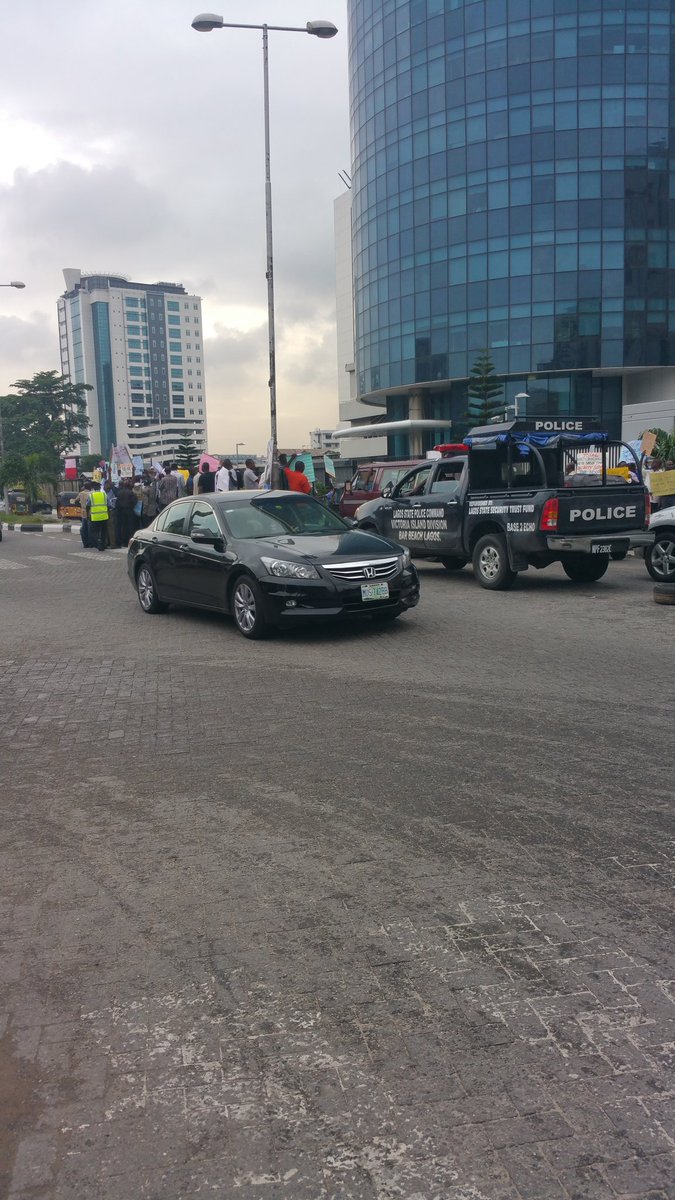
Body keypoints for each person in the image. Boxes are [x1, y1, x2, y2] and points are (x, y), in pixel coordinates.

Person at [87, 480, 109, 551]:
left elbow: (88, 505)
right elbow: (109, 505)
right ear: (100, 488)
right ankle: (103, 545)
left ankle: (98, 542)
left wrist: (88, 514)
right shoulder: (104, 495)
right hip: (104, 516)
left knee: (94, 532)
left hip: (95, 517)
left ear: (93, 488)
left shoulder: (91, 496)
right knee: (103, 532)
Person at [115, 479, 137, 547]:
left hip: (121, 511)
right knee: (130, 526)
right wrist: (131, 506)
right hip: (129, 511)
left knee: (122, 527)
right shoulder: (131, 492)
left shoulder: (119, 492)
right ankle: (129, 541)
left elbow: (117, 503)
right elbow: (135, 501)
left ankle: (123, 542)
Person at [75, 480, 92, 547]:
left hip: (83, 512)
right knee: (90, 528)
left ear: (84, 487)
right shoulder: (92, 493)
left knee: (84, 528)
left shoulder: (81, 493)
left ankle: (85, 543)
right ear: (90, 487)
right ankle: (90, 543)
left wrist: (80, 506)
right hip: (90, 512)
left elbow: (75, 501)